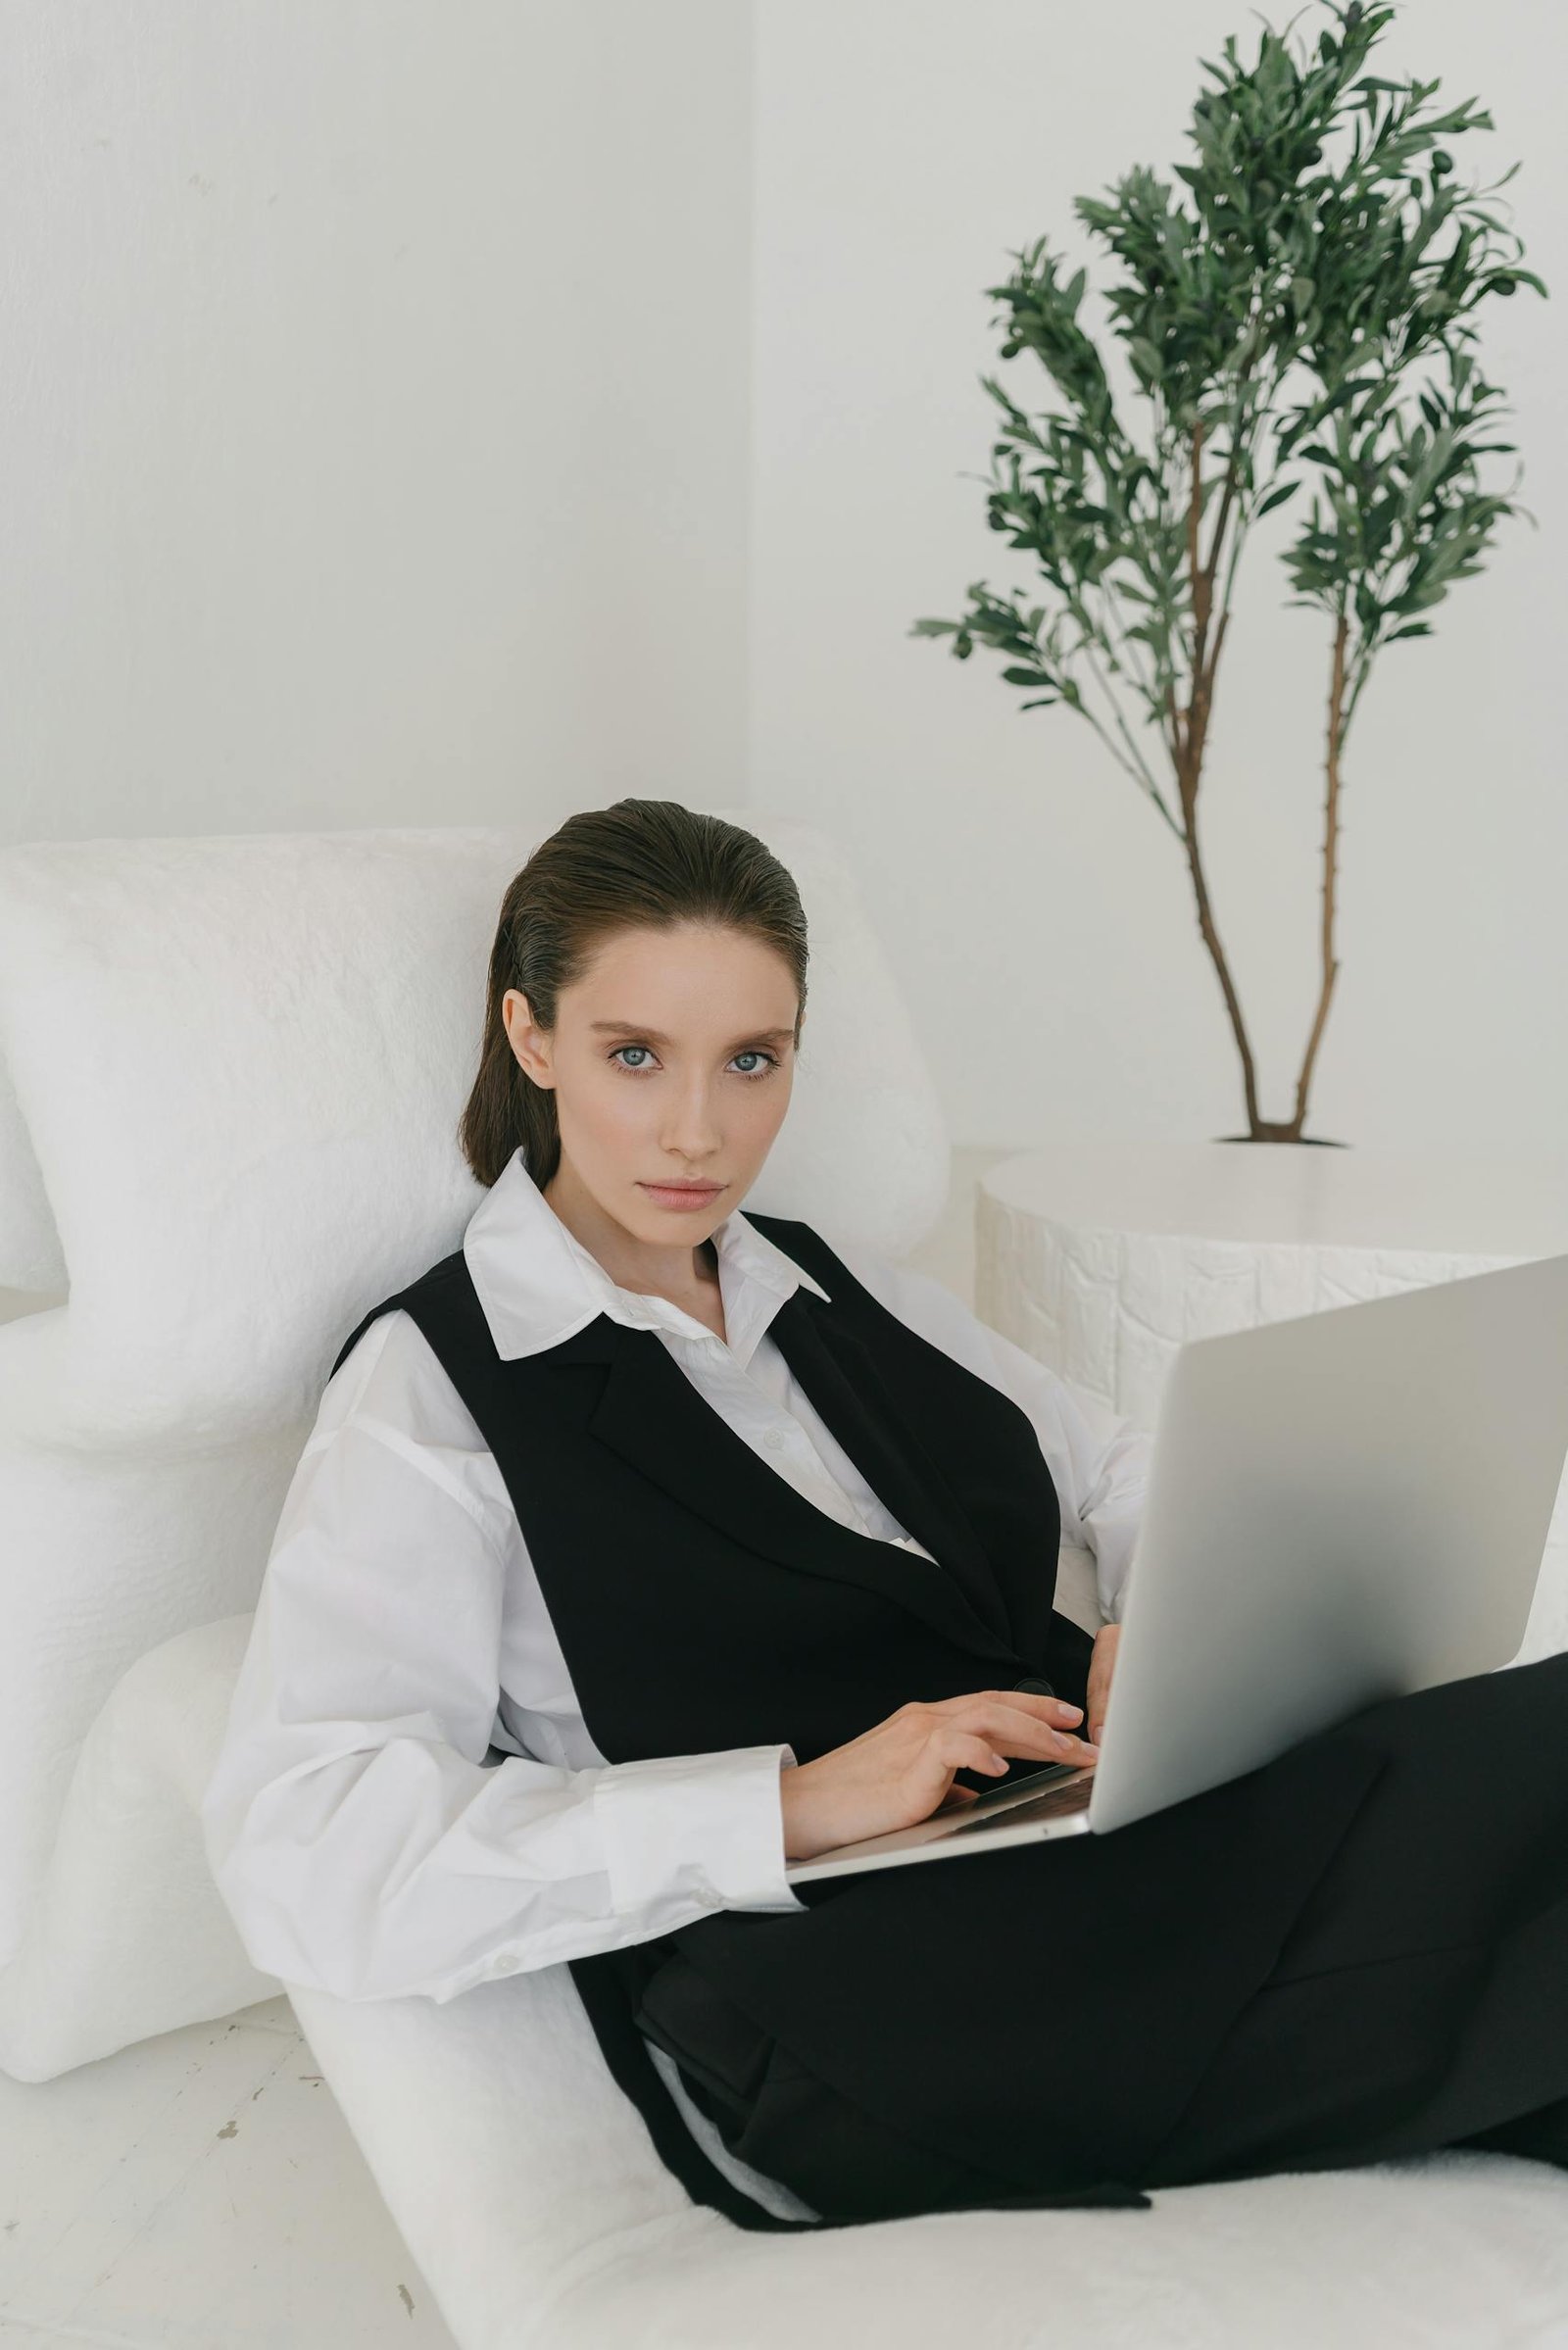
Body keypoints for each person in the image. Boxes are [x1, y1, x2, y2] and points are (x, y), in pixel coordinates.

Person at [203, 798, 1568, 2231]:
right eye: (633, 1056)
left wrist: (1162, 1621)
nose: (698, 1129)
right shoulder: (433, 1390)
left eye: (752, 1060)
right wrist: (788, 1803)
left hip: (1091, 1847)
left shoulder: (816, 1279)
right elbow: (308, 1843)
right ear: (532, 1039)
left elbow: (1111, 1459)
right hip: (879, 1997)